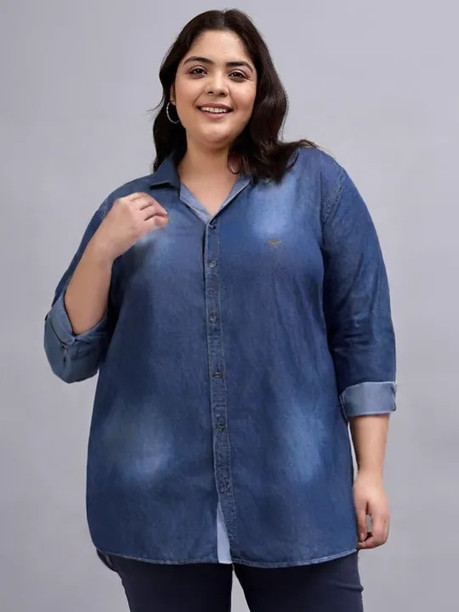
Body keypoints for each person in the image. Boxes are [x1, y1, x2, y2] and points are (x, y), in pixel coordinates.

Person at [43, 8, 397, 612]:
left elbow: (362, 333)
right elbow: (69, 357)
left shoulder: (315, 184)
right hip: (156, 506)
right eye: (198, 70)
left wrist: (370, 472)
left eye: (237, 73)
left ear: (259, 92)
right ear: (172, 91)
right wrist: (102, 249)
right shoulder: (125, 210)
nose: (217, 86)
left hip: (299, 493)